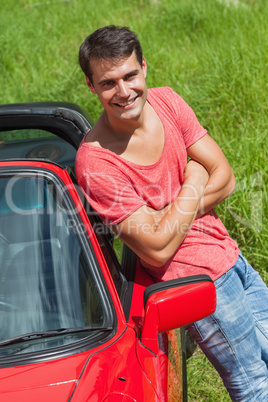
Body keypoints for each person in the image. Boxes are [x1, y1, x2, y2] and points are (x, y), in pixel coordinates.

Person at [75, 25, 268, 400]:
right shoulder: (96, 162)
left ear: (144, 67)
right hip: (197, 281)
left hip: (229, 253)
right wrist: (195, 178)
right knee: (255, 384)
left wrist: (166, 217)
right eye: (108, 82)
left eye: (130, 75)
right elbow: (158, 250)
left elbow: (226, 179)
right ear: (91, 86)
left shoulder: (168, 101)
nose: (124, 91)